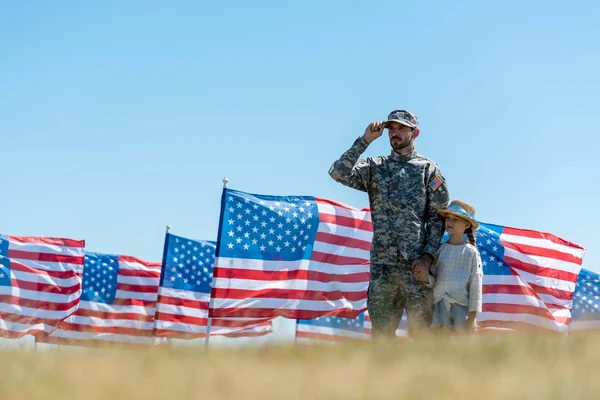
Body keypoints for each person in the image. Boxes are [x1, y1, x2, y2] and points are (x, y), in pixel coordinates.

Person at [328, 109, 450, 339]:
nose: (394, 133)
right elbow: (338, 172)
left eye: (401, 128)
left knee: (421, 335)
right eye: (391, 129)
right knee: (382, 336)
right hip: (383, 266)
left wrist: (427, 257)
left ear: (415, 132)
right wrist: (364, 141)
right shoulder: (375, 167)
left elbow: (438, 218)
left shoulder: (427, 169)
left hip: (416, 266)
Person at [423, 200, 483, 334]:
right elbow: (434, 281)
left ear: (466, 224)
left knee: (461, 347)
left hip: (461, 308)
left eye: (455, 219)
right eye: (448, 219)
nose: (449, 222)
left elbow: (476, 286)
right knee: (441, 346)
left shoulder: (471, 253)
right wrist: (425, 278)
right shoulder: (440, 250)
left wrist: (472, 318)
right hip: (439, 307)